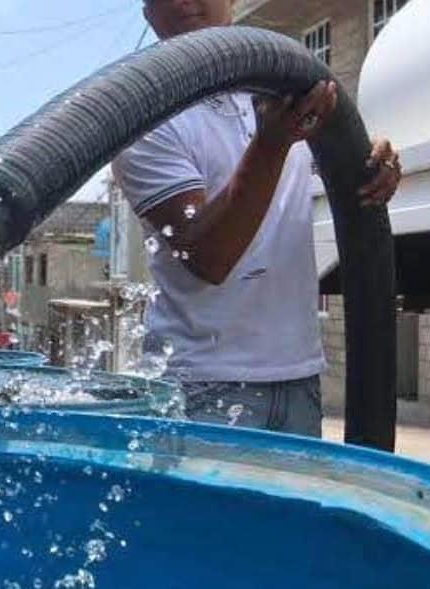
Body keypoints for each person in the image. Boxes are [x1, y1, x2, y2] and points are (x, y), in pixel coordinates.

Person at [111, 0, 403, 437]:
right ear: (147, 12)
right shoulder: (141, 119)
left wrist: (375, 162)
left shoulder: (280, 90)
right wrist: (271, 144)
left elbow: (338, 163)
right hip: (203, 388)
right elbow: (209, 256)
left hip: (298, 379)